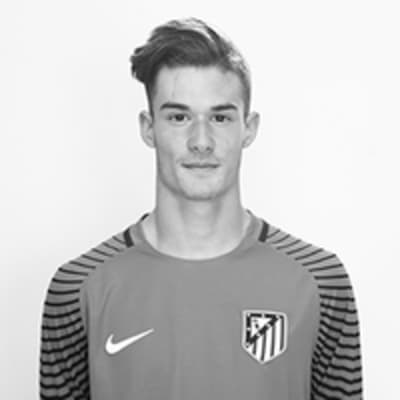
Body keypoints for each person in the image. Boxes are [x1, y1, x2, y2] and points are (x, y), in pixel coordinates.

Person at [39, 17, 363, 400]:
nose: (201, 141)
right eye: (179, 117)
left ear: (249, 128)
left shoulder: (321, 281)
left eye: (220, 117)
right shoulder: (77, 288)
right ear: (148, 128)